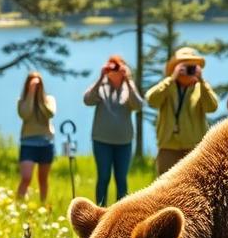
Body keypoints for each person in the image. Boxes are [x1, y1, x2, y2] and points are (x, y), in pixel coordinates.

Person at [145, 46, 220, 176]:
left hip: (194, 149)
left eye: (192, 67)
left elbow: (212, 107)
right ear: (176, 68)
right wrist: (171, 79)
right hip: (168, 148)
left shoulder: (201, 88)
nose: (188, 71)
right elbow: (151, 100)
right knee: (165, 188)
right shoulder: (167, 87)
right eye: (185, 67)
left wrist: (201, 81)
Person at [83, 54, 144, 206]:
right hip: (102, 141)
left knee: (121, 179)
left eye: (118, 66)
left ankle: (120, 214)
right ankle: (100, 211)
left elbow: (139, 105)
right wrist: (100, 78)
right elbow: (87, 100)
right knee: (103, 177)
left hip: (124, 142)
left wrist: (129, 80)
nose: (115, 70)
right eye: (112, 66)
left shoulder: (128, 87)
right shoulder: (101, 86)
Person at [16, 71, 57, 202]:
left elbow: (50, 113)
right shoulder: (22, 102)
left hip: (46, 143)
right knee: (26, 177)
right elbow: (25, 114)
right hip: (28, 143)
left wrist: (39, 99)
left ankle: (43, 204)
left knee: (43, 179)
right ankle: (18, 204)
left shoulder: (49, 100)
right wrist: (31, 93)